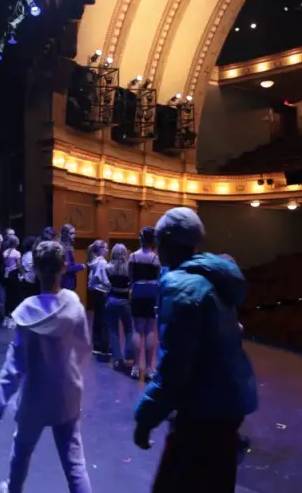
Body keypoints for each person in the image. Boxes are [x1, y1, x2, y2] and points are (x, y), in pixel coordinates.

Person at [134, 207, 258, 493]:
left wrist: (145, 419)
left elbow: (175, 364)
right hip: (229, 405)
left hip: (202, 413)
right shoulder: (212, 277)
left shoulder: (182, 286)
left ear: (166, 241)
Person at [0, 241, 92, 493]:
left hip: (34, 397)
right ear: (64, 267)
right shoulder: (73, 305)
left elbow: (14, 366)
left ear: (35, 270)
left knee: (21, 451)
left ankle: (13, 490)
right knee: (74, 461)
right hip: (67, 393)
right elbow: (84, 348)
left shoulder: (26, 312)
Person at [129, 227, 162, 380]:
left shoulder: (133, 257)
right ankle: (149, 368)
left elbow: (131, 277)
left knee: (137, 330)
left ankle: (136, 367)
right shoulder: (156, 259)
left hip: (137, 292)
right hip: (151, 294)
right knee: (150, 331)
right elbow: (158, 278)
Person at [105, 243, 135, 371]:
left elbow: (106, 284)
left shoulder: (108, 267)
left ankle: (117, 358)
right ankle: (129, 357)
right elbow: (131, 284)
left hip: (111, 300)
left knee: (113, 329)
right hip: (124, 301)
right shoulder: (129, 268)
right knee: (128, 329)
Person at [86, 239, 111, 359]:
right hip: (103, 292)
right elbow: (104, 279)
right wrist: (110, 286)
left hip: (96, 292)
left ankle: (96, 345)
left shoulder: (94, 261)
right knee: (104, 320)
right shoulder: (102, 263)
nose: (107, 250)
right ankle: (104, 346)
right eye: (105, 248)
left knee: (97, 318)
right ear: (100, 250)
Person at [0, 235, 23, 328]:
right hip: (14, 275)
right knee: (15, 297)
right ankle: (13, 319)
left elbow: (5, 264)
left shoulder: (5, 252)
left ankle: (6, 318)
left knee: (8, 296)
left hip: (7, 274)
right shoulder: (17, 253)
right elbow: (18, 265)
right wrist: (22, 273)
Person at [59, 224, 85, 292]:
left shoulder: (68, 246)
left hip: (68, 283)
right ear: (65, 234)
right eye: (71, 233)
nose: (74, 236)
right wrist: (80, 266)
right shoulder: (64, 248)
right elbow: (67, 268)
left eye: (74, 233)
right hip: (65, 283)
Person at [18, 236, 38, 300]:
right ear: (32, 245)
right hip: (30, 280)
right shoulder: (30, 255)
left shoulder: (25, 254)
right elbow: (29, 268)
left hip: (27, 279)